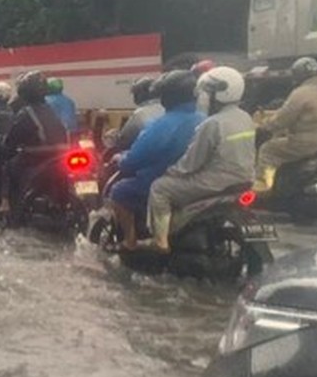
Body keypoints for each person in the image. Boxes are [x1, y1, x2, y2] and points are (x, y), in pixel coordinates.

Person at [147, 67, 257, 252]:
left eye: (206, 92)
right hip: (244, 179)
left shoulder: (212, 124)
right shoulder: (245, 117)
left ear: (220, 94)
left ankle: (161, 242)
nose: (202, 96)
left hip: (214, 183)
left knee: (159, 188)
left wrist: (170, 171)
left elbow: (191, 163)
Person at [108, 71, 204, 250]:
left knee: (119, 192)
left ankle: (130, 243)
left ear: (169, 96)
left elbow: (135, 159)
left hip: (161, 179)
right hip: (196, 181)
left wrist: (121, 159)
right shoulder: (205, 119)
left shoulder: (163, 125)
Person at [255, 57, 317, 191]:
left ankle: (265, 188)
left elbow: (282, 120)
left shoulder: (301, 92)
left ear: (298, 75)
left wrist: (264, 126)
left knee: (268, 150)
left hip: (313, 143)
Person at [1, 71, 70, 215]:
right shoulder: (51, 108)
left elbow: (11, 141)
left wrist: (6, 146)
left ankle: (8, 208)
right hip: (60, 155)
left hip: (38, 158)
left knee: (8, 167)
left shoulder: (26, 113)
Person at [114, 76, 165, 152]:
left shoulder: (140, 114)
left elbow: (124, 140)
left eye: (135, 94)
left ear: (140, 94)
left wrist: (115, 137)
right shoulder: (168, 108)